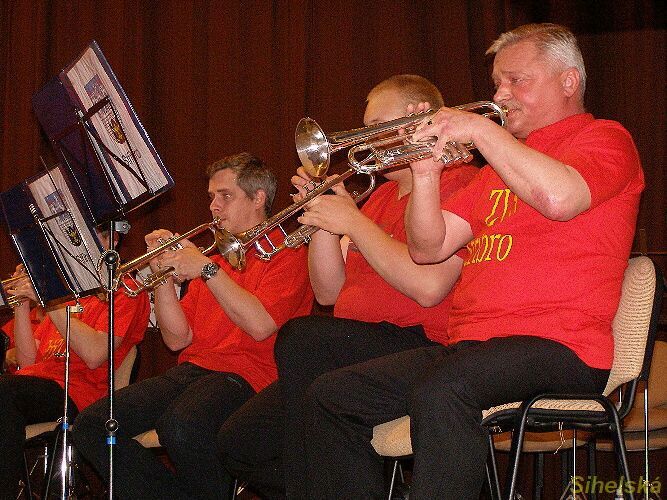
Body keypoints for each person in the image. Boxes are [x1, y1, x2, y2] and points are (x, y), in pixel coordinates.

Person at [300, 23, 645, 499]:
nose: (500, 95)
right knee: (331, 396)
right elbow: (429, 247)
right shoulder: (495, 172)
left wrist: (480, 130)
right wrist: (426, 171)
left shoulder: (604, 138)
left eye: (516, 80)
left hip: (561, 346)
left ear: (568, 81)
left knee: (444, 386)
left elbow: (559, 198)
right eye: (498, 83)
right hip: (472, 346)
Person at [217, 75, 478, 499]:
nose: (365, 139)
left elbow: (430, 288)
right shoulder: (378, 198)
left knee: (304, 339)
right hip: (350, 348)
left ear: (417, 119)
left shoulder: (459, 183)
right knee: (240, 440)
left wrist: (352, 221)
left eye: (375, 127)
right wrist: (322, 216)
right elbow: (328, 293)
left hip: (418, 344)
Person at [73, 153, 314, 500]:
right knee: (92, 426)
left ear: (258, 198)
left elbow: (261, 326)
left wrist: (205, 270)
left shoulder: (286, 253)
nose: (214, 206)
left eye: (225, 195)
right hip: (192, 371)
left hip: (250, 376)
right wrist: (161, 275)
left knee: (183, 424)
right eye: (212, 196)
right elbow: (177, 339)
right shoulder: (213, 260)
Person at [0, 230, 150, 498]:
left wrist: (48, 300)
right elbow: (26, 363)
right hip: (36, 387)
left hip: (78, 392)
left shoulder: (126, 291)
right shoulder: (69, 293)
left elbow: (94, 354)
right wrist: (21, 305)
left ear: (111, 241)